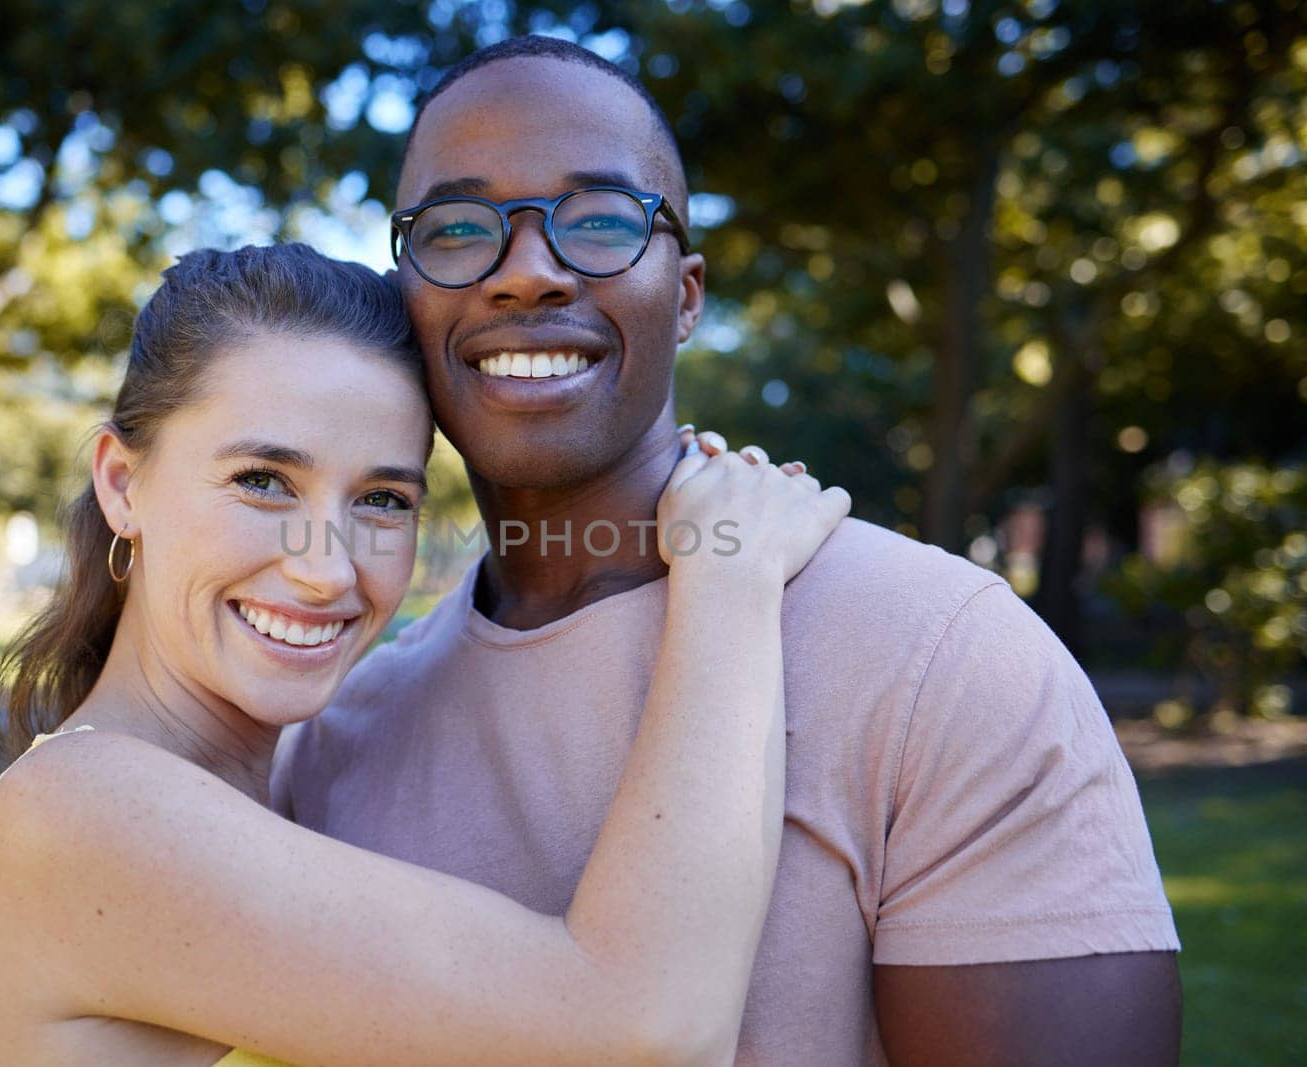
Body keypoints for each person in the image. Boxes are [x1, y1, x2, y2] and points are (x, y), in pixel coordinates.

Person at [274, 36, 1183, 1065]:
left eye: (602, 219)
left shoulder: (944, 655)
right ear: (408, 294)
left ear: (688, 293)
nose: (526, 271)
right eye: (455, 228)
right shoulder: (339, 732)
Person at [0, 242, 851, 1065]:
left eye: (382, 500)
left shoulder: (276, 782)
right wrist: (729, 570)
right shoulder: (85, 814)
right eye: (263, 481)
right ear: (122, 484)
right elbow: (650, 1025)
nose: (326, 570)